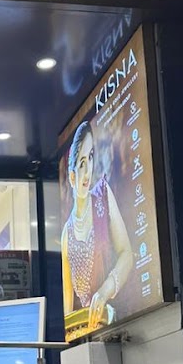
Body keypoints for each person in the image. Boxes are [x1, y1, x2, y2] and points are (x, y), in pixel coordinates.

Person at [61, 121, 133, 331]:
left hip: (116, 321)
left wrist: (103, 292)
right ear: (72, 176)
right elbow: (68, 308)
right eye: (82, 163)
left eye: (90, 157)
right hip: (87, 329)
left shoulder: (103, 195)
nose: (87, 171)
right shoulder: (66, 234)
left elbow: (127, 254)